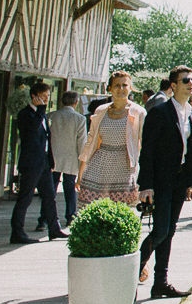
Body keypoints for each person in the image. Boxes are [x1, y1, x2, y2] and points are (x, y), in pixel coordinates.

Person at [137, 65, 192, 298]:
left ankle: (161, 282)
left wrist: (189, 183)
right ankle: (134, 266)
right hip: (160, 180)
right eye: (185, 79)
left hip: (180, 180)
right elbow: (147, 151)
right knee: (160, 230)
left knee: (170, 231)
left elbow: (189, 150)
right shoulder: (159, 112)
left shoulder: (191, 113)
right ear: (173, 85)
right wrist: (145, 185)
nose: (191, 83)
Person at [77, 71, 145, 210]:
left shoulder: (139, 112)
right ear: (109, 88)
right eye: (117, 85)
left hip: (125, 166)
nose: (121, 89)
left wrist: (145, 178)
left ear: (130, 87)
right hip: (99, 165)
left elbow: (145, 145)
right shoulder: (101, 110)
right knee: (94, 210)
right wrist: (81, 173)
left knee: (121, 210)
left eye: (125, 85)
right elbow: (90, 142)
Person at [11, 82, 65, 244]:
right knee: (25, 198)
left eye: (48, 97)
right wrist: (41, 110)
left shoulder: (42, 115)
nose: (46, 100)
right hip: (31, 162)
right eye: (43, 97)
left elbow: (45, 139)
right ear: (34, 97)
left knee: (50, 196)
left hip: (44, 162)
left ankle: (54, 229)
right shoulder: (25, 114)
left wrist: (51, 159)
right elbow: (32, 131)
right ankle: (17, 232)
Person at [49, 90, 88, 229]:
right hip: (71, 158)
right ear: (76, 103)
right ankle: (71, 215)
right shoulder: (80, 119)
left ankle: (45, 217)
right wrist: (82, 163)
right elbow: (82, 143)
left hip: (53, 158)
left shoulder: (51, 116)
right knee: (70, 188)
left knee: (50, 190)